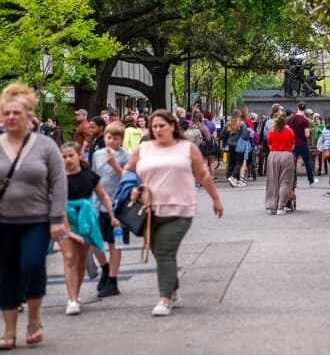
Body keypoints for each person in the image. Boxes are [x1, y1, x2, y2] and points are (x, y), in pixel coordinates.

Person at [123, 109, 223, 316]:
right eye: (154, 126)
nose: (158, 129)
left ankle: (164, 299)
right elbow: (127, 170)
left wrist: (216, 199)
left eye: (162, 125)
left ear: (172, 126)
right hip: (149, 210)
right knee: (159, 253)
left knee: (165, 251)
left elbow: (203, 174)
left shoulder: (186, 148)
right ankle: (173, 288)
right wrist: (131, 187)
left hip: (180, 209)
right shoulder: (144, 149)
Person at [0, 83, 66, 349]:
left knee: (31, 265)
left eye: (17, 113)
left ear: (29, 116)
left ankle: (34, 319)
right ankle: (9, 331)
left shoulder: (45, 146)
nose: (11, 118)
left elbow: (58, 182)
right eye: (6, 114)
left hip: (37, 220)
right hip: (3, 221)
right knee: (5, 273)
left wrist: (57, 218)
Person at [59, 142, 117, 315]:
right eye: (64, 156)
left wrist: (113, 215)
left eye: (70, 155)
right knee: (69, 257)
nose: (67, 159)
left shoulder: (89, 176)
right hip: (65, 218)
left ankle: (75, 294)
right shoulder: (58, 178)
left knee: (82, 258)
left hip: (84, 219)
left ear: (79, 156)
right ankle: (72, 299)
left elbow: (103, 195)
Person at [90, 122, 130, 298]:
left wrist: (115, 165)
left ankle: (112, 279)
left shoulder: (125, 156)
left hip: (117, 204)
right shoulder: (97, 154)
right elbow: (93, 176)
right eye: (108, 137)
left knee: (115, 243)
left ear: (121, 140)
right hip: (97, 203)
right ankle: (105, 268)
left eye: (115, 138)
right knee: (94, 241)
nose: (111, 140)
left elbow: (129, 178)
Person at [265, 113, 295, 215]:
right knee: (285, 182)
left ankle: (271, 205)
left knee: (273, 181)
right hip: (286, 155)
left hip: (273, 155)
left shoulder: (271, 131)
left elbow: (269, 144)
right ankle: (281, 207)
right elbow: (292, 145)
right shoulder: (289, 131)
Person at [287, 103, 316, 186]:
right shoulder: (305, 120)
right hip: (303, 144)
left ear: (297, 108)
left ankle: (294, 181)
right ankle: (311, 180)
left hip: (293, 144)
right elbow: (307, 134)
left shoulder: (290, 119)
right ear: (305, 109)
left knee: (293, 164)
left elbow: (288, 131)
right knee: (307, 162)